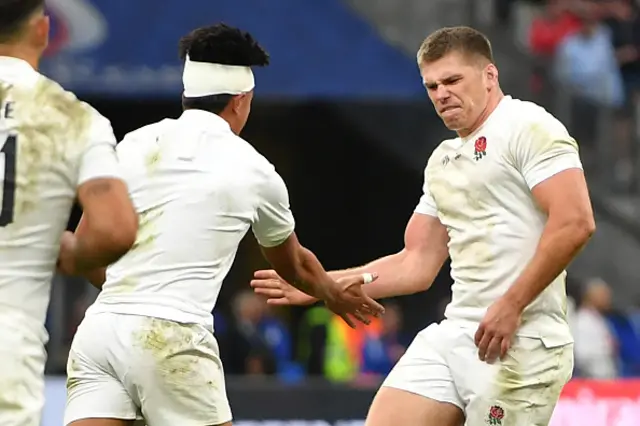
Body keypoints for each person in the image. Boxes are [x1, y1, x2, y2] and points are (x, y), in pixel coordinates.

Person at [251, 26, 595, 426]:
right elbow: (415, 264)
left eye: (452, 80)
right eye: (431, 86)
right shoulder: (443, 160)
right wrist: (319, 284)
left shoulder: (529, 126)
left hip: (523, 340)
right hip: (458, 331)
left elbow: (575, 222)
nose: (441, 94)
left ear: (489, 76)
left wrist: (512, 304)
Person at [62, 23, 384, 426]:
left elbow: (85, 249)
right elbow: (296, 267)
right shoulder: (254, 169)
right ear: (241, 101)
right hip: (171, 337)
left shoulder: (134, 144)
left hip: (100, 333)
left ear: (186, 96)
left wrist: (128, 295)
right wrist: (331, 294)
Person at [0, 1, 138, 425]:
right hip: (8, 339)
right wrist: (73, 254)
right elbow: (116, 228)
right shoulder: (73, 118)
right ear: (43, 31)